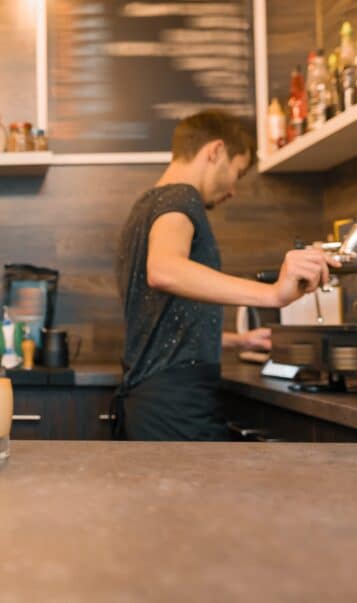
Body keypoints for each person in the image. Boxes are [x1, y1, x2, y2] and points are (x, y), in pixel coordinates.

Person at [112, 110, 336, 441]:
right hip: (175, 407)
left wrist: (237, 341)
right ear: (215, 152)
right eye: (238, 171)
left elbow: (161, 328)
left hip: (149, 403)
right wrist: (274, 294)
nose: (233, 189)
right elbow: (164, 270)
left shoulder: (144, 207)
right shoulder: (181, 196)